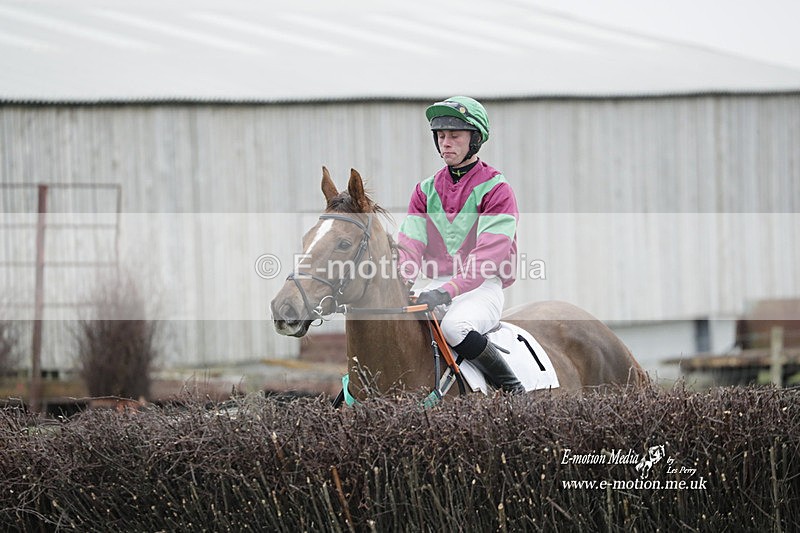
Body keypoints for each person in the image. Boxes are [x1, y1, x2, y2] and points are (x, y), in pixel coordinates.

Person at [397, 96, 525, 394]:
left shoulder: (497, 189)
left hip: (482, 288)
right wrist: (401, 281)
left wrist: (448, 290)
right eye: (441, 136)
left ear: (475, 139)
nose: (446, 143)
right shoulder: (424, 190)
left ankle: (513, 390)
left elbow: (488, 257)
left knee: (455, 327)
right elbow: (410, 245)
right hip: (435, 287)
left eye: (454, 136)